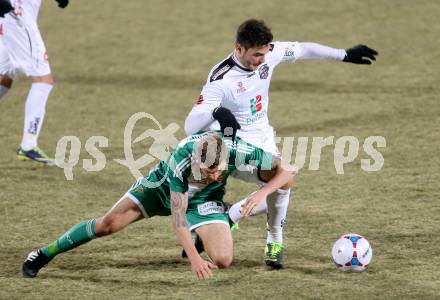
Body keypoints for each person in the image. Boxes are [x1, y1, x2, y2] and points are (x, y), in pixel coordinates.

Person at [184, 19, 378, 268]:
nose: (261, 60)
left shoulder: (270, 54)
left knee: (281, 186)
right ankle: (273, 239)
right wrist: (215, 114)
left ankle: (230, 216)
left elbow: (302, 48)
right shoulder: (221, 79)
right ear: (239, 49)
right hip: (234, 149)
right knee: (282, 180)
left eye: (264, 53)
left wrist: (344, 54)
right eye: (256, 55)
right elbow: (190, 125)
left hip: (264, 141)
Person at [21, 131, 293, 280]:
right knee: (106, 226)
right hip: (157, 191)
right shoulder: (181, 161)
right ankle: (44, 253)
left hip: (204, 201)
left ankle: (216, 220)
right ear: (197, 159)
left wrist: (261, 194)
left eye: (218, 171)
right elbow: (177, 218)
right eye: (206, 171)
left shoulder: (238, 149)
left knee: (223, 260)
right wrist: (195, 259)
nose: (212, 176)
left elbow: (288, 171)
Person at [0, 0, 69, 165]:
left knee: (4, 77)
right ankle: (28, 146)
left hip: (9, 19)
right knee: (43, 80)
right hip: (16, 17)